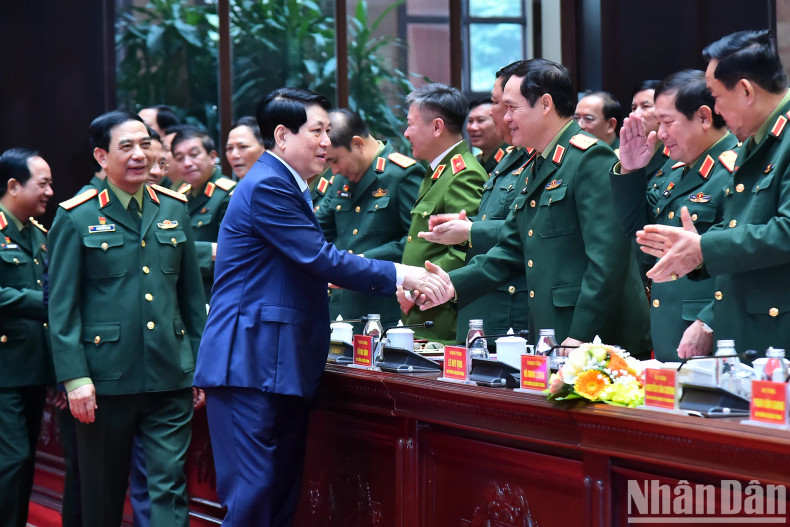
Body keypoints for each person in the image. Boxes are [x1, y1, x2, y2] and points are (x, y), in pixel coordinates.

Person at [193, 87, 450, 527]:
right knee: (253, 500)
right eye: (317, 131)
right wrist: (403, 275)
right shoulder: (269, 185)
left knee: (278, 496)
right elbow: (320, 257)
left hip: (278, 363)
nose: (326, 142)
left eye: (329, 131)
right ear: (281, 135)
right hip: (249, 363)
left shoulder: (290, 185)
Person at [418, 59, 651, 356]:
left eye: (512, 107)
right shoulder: (537, 163)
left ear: (544, 104)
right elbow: (512, 247)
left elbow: (608, 262)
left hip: (596, 337)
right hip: (553, 331)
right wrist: (450, 284)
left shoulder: (588, 159)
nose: (504, 116)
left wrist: (581, 334)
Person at [47, 111, 207, 527]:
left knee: (170, 487)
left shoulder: (173, 207)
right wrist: (75, 377)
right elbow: (61, 307)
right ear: (101, 156)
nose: (140, 154)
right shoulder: (75, 215)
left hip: (171, 374)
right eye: (126, 147)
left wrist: (200, 365)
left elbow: (191, 297)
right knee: (102, 492)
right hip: (104, 380)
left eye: (146, 143)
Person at [637, 29, 790, 357]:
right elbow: (740, 226)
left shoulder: (782, 139)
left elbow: (786, 231)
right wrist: (694, 252)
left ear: (746, 91)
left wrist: (705, 246)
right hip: (750, 332)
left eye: (717, 97)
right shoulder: (757, 142)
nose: (716, 111)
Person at [611, 70, 737, 361]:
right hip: (670, 329)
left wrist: (708, 322)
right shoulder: (677, 170)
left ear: (704, 117)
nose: (661, 132)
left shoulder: (736, 171)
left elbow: (742, 262)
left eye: (668, 122)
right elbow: (640, 233)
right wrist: (630, 171)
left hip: (711, 336)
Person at [418, 61, 531, 342]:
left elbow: (527, 231)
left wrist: (470, 231)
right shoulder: (509, 158)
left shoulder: (534, 160)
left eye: (496, 103)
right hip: (481, 302)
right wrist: (468, 227)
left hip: (508, 309)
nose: (491, 111)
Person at [318, 108, 423, 332]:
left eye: (335, 161)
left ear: (357, 144)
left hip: (381, 312)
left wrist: (363, 260)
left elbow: (416, 241)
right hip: (340, 311)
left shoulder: (401, 174)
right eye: (329, 163)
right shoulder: (340, 180)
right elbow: (316, 230)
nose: (334, 171)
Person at [400, 83, 488, 343]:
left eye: (411, 124)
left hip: (439, 313)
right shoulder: (438, 170)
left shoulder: (464, 173)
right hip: (423, 310)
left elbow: (464, 248)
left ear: (437, 127)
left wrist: (412, 292)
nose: (406, 133)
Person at [0, 148, 54, 527]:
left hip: (36, 367)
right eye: (44, 183)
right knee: (12, 458)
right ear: (14, 186)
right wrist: (50, 303)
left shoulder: (38, 233)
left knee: (25, 460)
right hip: (5, 370)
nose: (50, 191)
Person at [172, 126, 236, 302]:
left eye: (194, 155)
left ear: (212, 156)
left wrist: (175, 253)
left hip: (216, 297)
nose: (187, 163)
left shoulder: (228, 196)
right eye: (180, 158)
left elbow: (233, 254)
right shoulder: (179, 197)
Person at [466, 96, 507, 174]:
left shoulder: (512, 157)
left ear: (499, 122)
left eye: (480, 120)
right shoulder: (476, 161)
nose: (473, 127)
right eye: (470, 121)